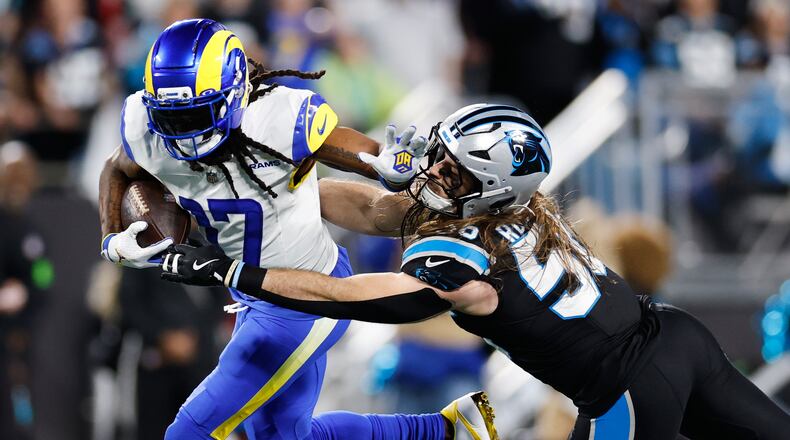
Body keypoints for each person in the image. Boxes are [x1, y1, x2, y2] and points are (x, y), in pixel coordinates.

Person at [162, 104, 790, 439]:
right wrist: (282, 195)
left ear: (487, 189)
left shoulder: (466, 254)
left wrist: (235, 271)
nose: (434, 170)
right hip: (677, 337)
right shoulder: (513, 209)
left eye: (453, 171)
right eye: (441, 156)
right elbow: (378, 208)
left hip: (628, 388)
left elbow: (356, 297)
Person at [98, 18, 495, 440]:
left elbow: (345, 146)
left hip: (307, 298)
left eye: (201, 112)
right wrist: (110, 235)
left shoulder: (277, 117)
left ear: (236, 91)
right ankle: (449, 429)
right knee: (284, 436)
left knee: (189, 433)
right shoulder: (146, 128)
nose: (190, 132)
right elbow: (115, 167)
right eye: (176, 118)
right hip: (254, 295)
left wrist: (382, 159)